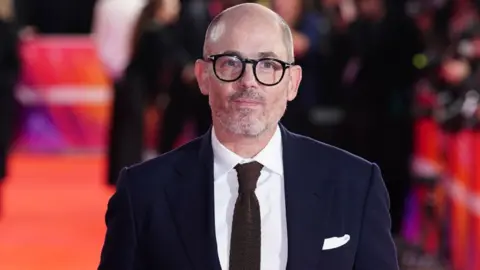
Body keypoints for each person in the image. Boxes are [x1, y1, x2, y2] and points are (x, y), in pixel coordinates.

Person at [98, 3, 398, 270]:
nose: (248, 81)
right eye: (231, 63)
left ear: (292, 83)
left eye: (268, 65)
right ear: (203, 76)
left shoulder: (356, 185)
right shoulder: (142, 192)